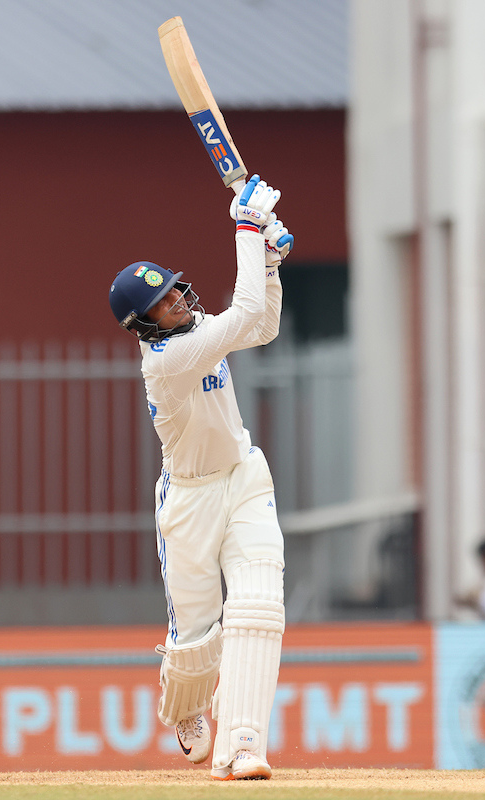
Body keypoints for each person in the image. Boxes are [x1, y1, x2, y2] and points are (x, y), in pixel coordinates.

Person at [107, 174, 293, 781]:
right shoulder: (166, 362)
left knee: (260, 600)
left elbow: (258, 325)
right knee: (199, 632)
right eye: (165, 302)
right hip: (187, 498)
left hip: (241, 476)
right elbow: (243, 317)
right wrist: (247, 228)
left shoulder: (194, 331)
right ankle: (186, 702)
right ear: (144, 325)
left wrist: (267, 262)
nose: (181, 300)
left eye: (178, 290)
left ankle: (241, 745)